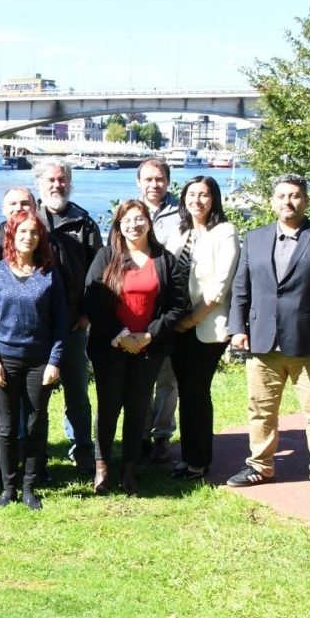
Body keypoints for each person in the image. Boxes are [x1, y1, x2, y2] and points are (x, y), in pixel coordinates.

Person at [226, 173, 310, 502]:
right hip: (262, 341)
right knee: (260, 410)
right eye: (281, 196)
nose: (288, 202)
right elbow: (241, 288)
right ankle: (260, 465)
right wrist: (237, 328)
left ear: (305, 200)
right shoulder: (254, 238)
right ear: (272, 202)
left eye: (294, 195)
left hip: (309, 342)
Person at [83, 200, 189, 495]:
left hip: (148, 348)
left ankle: (129, 468)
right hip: (110, 346)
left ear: (149, 222)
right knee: (108, 407)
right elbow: (91, 299)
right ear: (118, 225)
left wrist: (148, 336)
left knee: (138, 408)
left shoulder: (164, 260)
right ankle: (102, 467)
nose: (134, 225)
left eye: (140, 218)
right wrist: (121, 335)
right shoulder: (107, 256)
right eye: (127, 220)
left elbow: (177, 305)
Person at [0, 212, 67, 510]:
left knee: (33, 425)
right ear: (12, 235)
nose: (28, 237)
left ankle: (29, 486)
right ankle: (8, 488)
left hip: (39, 361)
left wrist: (55, 361)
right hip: (5, 360)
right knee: (6, 428)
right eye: (22, 232)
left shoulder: (49, 274)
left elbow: (60, 323)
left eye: (34, 232)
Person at [167, 176, 240, 480]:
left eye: (204, 195)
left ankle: (199, 461)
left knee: (197, 391)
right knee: (186, 392)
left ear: (214, 199)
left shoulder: (225, 232)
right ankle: (188, 457)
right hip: (177, 326)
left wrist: (191, 320)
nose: (197, 200)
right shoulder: (179, 231)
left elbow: (220, 286)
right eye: (191, 194)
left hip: (206, 327)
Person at [35, 159, 104, 470]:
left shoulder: (84, 223)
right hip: (38, 327)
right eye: (51, 180)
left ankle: (82, 448)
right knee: (35, 393)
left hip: (74, 324)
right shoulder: (29, 219)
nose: (56, 185)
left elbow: (99, 273)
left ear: (69, 183)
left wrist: (88, 314)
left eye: (62, 180)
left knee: (77, 391)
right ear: (40, 183)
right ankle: (33, 449)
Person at [138, 157, 181, 465]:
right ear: (139, 182)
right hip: (137, 306)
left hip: (168, 306)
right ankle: (139, 433)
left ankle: (162, 435)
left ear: (168, 181)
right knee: (140, 378)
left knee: (167, 378)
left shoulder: (182, 212)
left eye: (160, 179)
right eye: (148, 179)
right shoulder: (130, 211)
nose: (154, 184)